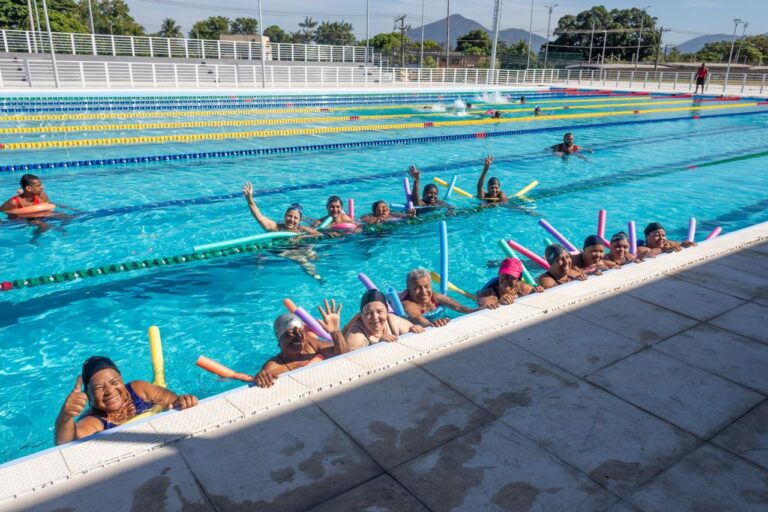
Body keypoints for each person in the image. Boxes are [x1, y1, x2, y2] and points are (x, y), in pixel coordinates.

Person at [54, 356, 198, 445]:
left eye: (114, 382)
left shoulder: (139, 389)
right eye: (99, 387)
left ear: (122, 381)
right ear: (89, 397)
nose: (109, 390)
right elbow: (66, 443)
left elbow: (174, 400)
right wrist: (65, 416)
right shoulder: (94, 420)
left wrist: (184, 401)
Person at [254, 300, 350, 388]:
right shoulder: (275, 365)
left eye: (301, 331)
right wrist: (261, 377)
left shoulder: (310, 344)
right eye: (291, 332)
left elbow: (344, 356)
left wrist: (335, 332)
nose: (298, 336)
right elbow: (264, 378)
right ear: (280, 338)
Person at [342, 289, 424, 351]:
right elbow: (350, 360)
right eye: (368, 313)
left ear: (387, 312)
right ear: (361, 316)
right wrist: (378, 345)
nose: (375, 317)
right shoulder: (356, 333)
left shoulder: (392, 321)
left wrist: (414, 330)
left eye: (379, 311)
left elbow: (420, 340)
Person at [400, 268, 478, 327]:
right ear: (408, 289)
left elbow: (458, 307)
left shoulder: (434, 296)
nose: (423, 291)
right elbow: (417, 318)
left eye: (426, 286)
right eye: (418, 288)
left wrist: (473, 310)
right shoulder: (408, 303)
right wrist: (431, 324)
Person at [243, 182, 320, 236]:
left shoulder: (302, 230)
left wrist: (302, 237)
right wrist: (249, 199)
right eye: (289, 216)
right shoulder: (276, 228)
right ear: (284, 216)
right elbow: (259, 217)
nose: (292, 219)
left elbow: (319, 234)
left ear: (300, 220)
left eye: (295, 218)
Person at [477, 258, 544, 307]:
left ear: (518, 279)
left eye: (511, 277)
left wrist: (536, 292)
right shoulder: (487, 294)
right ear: (499, 274)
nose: (506, 280)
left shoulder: (523, 288)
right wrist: (499, 302)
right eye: (503, 275)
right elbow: (485, 309)